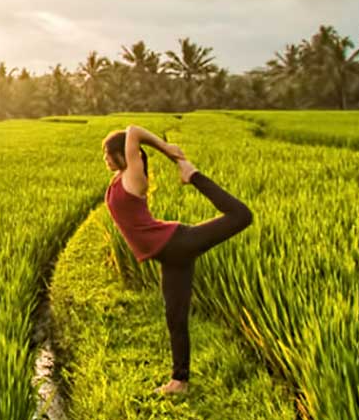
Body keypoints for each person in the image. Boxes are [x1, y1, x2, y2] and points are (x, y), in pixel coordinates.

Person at [101, 125, 254, 396]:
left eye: (108, 153)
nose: (104, 158)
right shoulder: (118, 178)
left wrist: (169, 151)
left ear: (123, 155)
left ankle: (193, 175)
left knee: (241, 216)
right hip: (169, 256)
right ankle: (179, 381)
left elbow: (133, 130)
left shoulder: (133, 178)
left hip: (177, 243)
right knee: (175, 317)